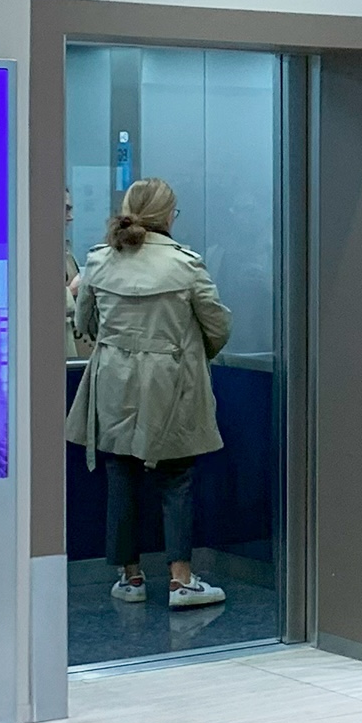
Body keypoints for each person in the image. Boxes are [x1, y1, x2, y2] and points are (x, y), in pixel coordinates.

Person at [65, 179, 233, 609]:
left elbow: (84, 322)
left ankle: (131, 578)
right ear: (168, 216)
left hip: (114, 380)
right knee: (176, 476)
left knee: (120, 473)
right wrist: (187, 353)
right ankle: (181, 581)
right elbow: (217, 325)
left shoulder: (99, 260)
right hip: (172, 380)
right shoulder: (185, 264)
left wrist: (120, 348)